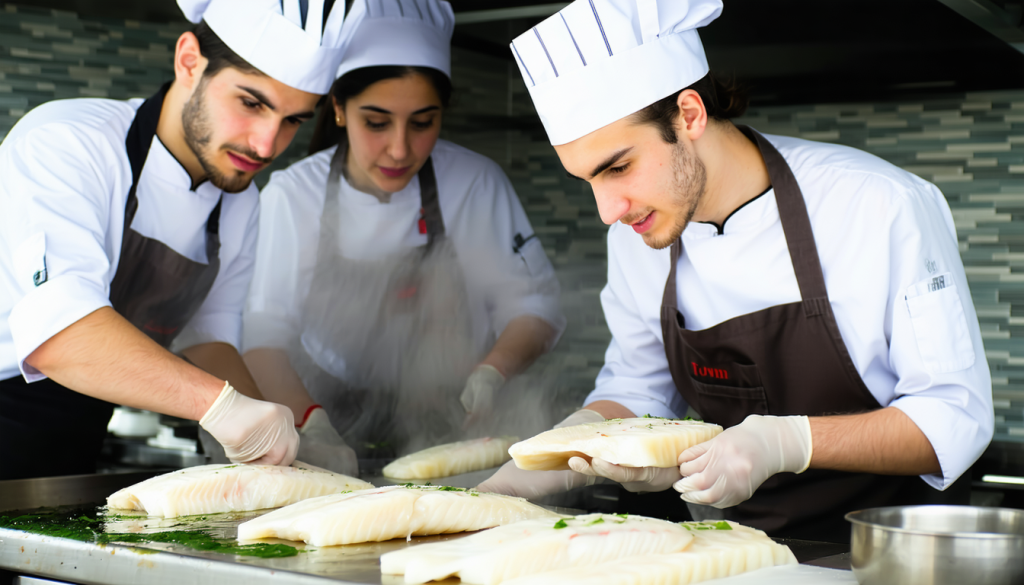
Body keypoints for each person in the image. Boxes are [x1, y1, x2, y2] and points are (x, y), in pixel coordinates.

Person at [478, 0, 994, 542]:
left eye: (619, 167)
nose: (608, 209)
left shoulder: (877, 205)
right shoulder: (637, 237)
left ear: (690, 114)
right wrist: (567, 446)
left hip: (887, 555)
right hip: (740, 556)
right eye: (589, 181)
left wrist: (787, 443)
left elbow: (953, 418)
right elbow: (640, 387)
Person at [0, 0, 353, 480]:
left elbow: (208, 336)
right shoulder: (67, 143)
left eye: (293, 119)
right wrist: (221, 408)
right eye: (251, 103)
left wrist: (282, 437)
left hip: (73, 441)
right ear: (189, 61)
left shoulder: (239, 199)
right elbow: (60, 338)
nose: (267, 145)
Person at [235, 0, 566, 474]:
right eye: (376, 122)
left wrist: (492, 373)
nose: (399, 148)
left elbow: (535, 308)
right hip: (319, 414)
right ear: (339, 109)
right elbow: (265, 335)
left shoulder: (472, 183)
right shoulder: (293, 195)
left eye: (423, 122)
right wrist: (312, 425)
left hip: (452, 422)